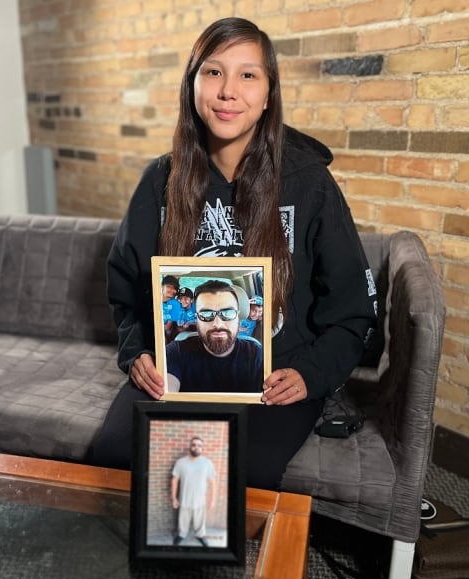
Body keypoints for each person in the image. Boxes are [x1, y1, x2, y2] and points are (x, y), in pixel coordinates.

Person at [91, 17, 377, 489]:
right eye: (213, 72)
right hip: (178, 373)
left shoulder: (309, 183)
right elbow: (126, 292)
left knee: (245, 474)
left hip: (273, 381)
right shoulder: (159, 182)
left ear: (268, 95)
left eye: (248, 75)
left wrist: (309, 374)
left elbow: (352, 310)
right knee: (114, 454)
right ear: (192, 85)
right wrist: (137, 351)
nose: (228, 91)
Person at [166, 280, 263, 392]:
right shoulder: (176, 352)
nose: (217, 324)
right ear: (196, 319)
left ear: (238, 316)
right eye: (206, 314)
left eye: (228, 313)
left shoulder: (257, 356)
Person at [171, 436, 216, 547]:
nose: (196, 447)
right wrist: (174, 498)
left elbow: (213, 483)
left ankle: (200, 536)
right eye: (194, 445)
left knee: (200, 522)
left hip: (200, 500)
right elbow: (175, 480)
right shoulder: (181, 462)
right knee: (182, 521)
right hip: (184, 499)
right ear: (190, 447)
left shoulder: (207, 463)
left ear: (202, 448)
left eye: (199, 445)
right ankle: (181, 534)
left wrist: (212, 500)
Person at [161, 275, 182, 342]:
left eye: (174, 288)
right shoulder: (155, 300)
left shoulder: (175, 304)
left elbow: (167, 327)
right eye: (168, 287)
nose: (172, 290)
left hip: (165, 333)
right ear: (162, 286)